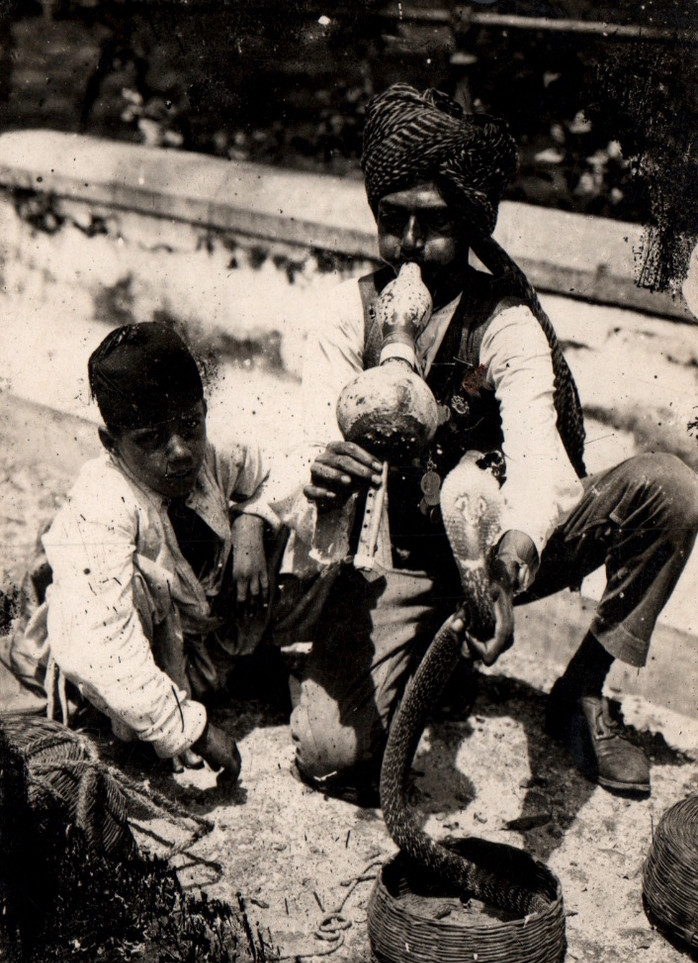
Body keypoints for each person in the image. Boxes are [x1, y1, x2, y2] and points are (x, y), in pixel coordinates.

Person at [288, 83, 698, 800]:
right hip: (404, 564)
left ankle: (584, 689)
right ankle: (402, 655)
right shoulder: (342, 314)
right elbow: (301, 452)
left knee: (671, 491)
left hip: (504, 546)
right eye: (393, 221)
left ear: (472, 223)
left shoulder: (504, 322)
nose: (411, 245)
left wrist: (505, 573)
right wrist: (319, 477)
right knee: (330, 752)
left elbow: (542, 465)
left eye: (435, 224)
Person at [2, 322, 285, 778]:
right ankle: (138, 723)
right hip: (119, 664)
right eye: (151, 439)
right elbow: (96, 645)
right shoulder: (104, 497)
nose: (179, 452)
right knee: (127, 580)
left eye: (190, 426)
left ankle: (246, 667)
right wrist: (189, 728)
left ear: (203, 412)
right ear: (111, 443)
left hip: (200, 642)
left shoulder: (213, 452)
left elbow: (284, 464)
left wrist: (254, 517)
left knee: (289, 528)